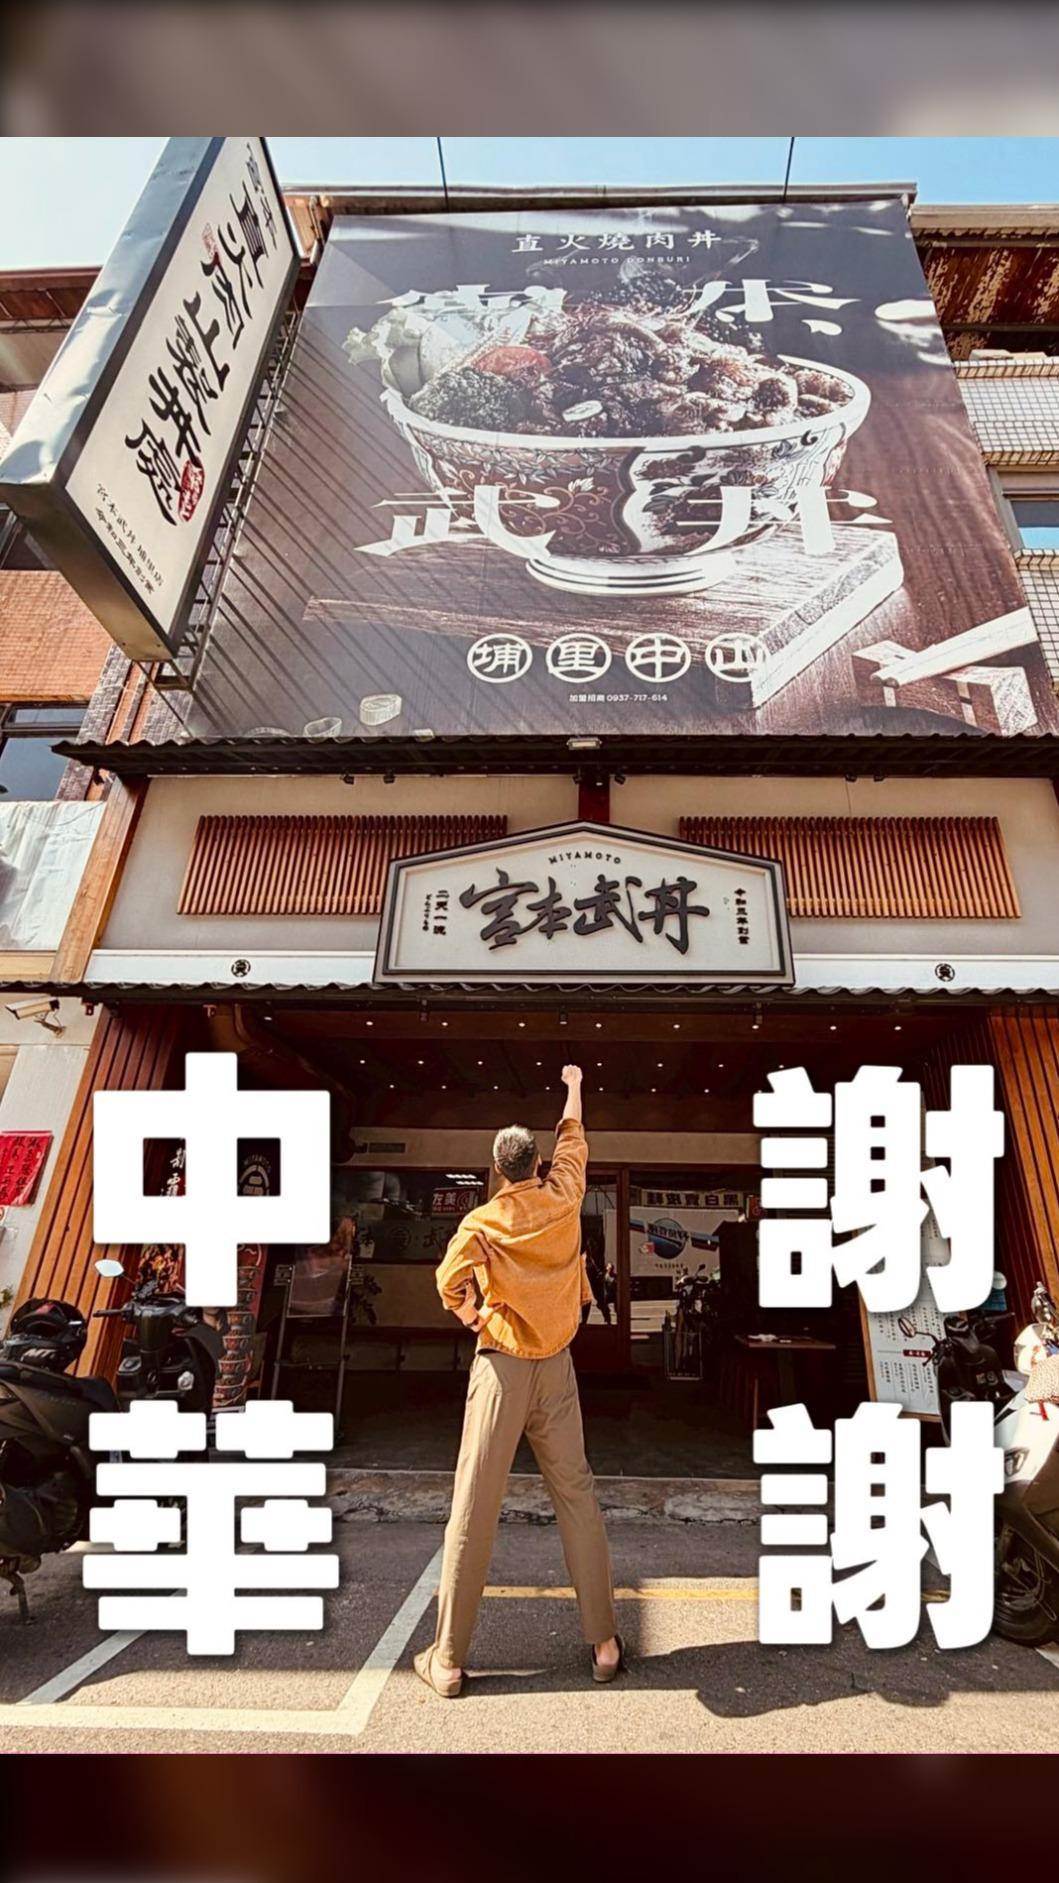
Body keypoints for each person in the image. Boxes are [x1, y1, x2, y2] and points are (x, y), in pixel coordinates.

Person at [414, 1064, 624, 1698]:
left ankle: (448, 1660)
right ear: (537, 1164)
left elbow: (448, 1281)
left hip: (501, 1366)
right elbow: (574, 1137)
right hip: (557, 1368)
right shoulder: (564, 1196)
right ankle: (605, 1644)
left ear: (497, 1170)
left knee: (475, 1503)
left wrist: (472, 1315)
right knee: (577, 1497)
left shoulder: (483, 1223)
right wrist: (574, 1086)